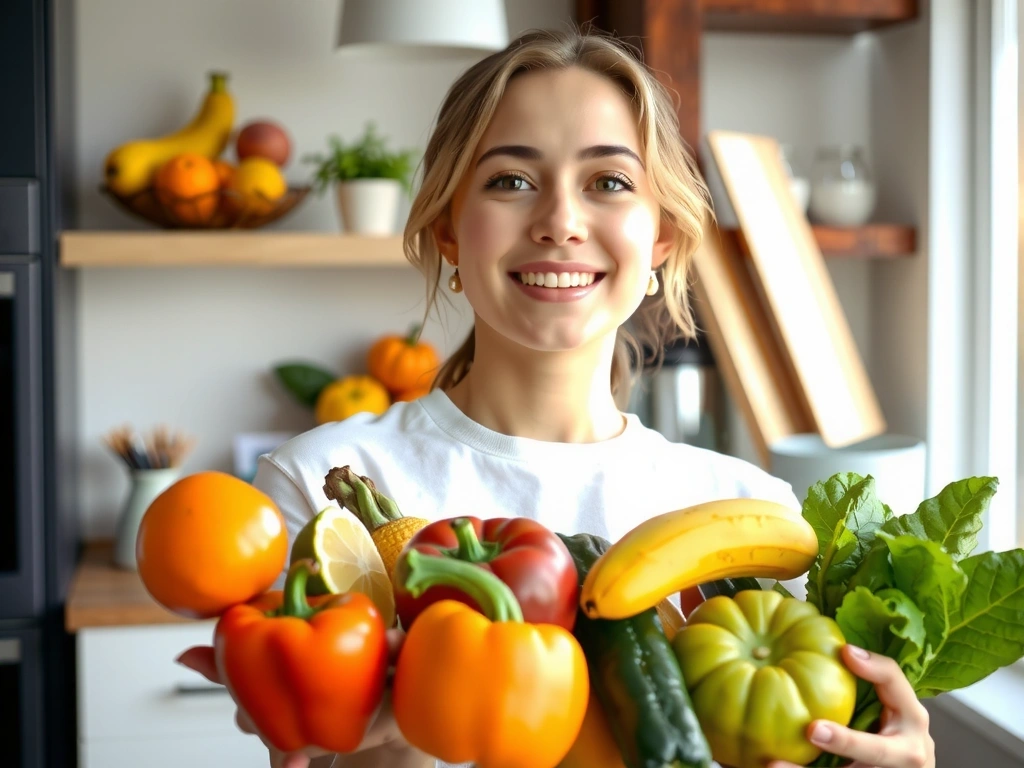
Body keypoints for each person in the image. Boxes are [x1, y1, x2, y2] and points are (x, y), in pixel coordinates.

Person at [178, 26, 936, 768]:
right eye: (511, 180)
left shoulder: (753, 515)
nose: (560, 223)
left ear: (662, 239)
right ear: (449, 230)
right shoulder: (321, 488)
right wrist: (400, 727)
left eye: (609, 182)